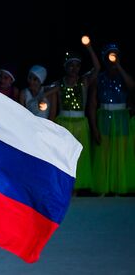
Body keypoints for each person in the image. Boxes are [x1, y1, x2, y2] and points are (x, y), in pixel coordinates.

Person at [51, 41, 100, 193]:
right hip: (64, 122)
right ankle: (64, 187)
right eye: (71, 65)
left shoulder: (83, 82)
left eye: (77, 65)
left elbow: (97, 68)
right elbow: (50, 103)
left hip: (80, 123)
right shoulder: (59, 84)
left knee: (80, 157)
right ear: (65, 66)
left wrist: (89, 48)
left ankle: (77, 187)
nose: (74, 69)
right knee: (63, 156)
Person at [88, 43, 135, 195]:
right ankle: (103, 187)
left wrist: (119, 67)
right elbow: (93, 103)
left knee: (120, 152)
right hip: (104, 116)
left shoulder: (124, 76)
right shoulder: (99, 78)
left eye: (115, 55)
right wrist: (94, 127)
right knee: (104, 151)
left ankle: (118, 187)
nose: (112, 58)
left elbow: (132, 87)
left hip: (121, 117)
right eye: (110, 55)